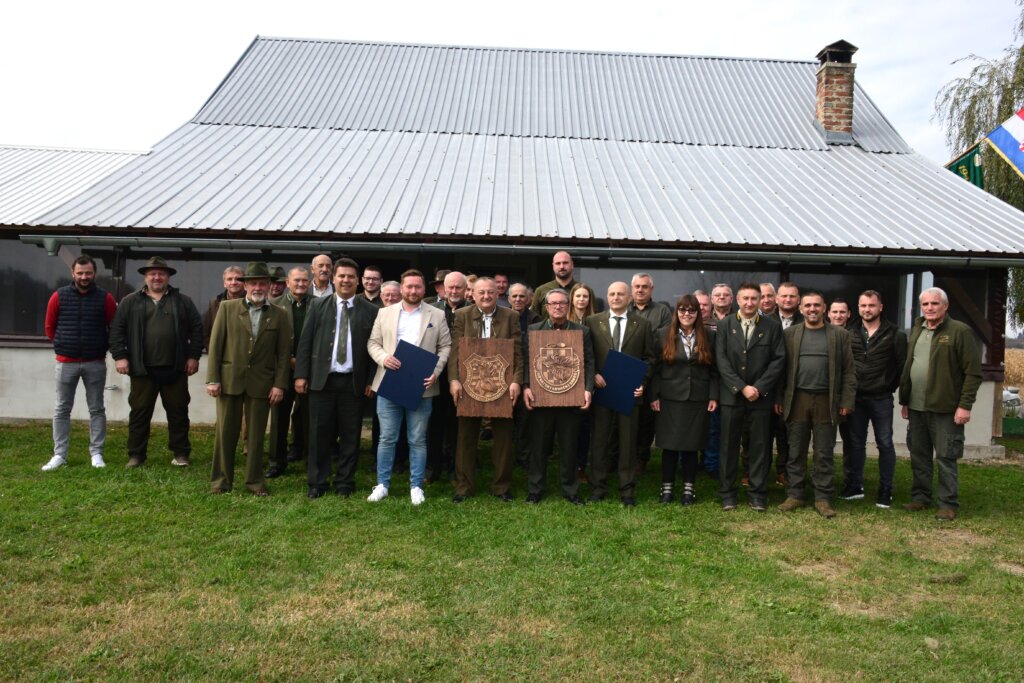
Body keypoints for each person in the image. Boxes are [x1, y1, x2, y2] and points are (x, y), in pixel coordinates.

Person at [206, 262, 293, 495]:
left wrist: (279, 384)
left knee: (255, 437)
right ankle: (221, 482)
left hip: (262, 383)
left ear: (268, 286)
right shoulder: (227, 308)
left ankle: (255, 482)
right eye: (253, 283)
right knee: (225, 433)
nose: (257, 287)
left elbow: (284, 355)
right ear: (245, 286)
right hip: (229, 379)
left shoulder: (280, 315)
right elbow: (215, 346)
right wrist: (212, 378)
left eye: (262, 283)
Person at [366, 269, 452, 505]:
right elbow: (373, 342)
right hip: (390, 383)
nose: (413, 291)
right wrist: (383, 358)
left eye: (417, 287)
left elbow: (445, 346)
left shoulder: (437, 314)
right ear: (401, 288)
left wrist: (435, 371)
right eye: (409, 286)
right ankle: (382, 484)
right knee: (387, 438)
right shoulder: (385, 313)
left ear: (424, 289)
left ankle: (416, 486)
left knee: (417, 439)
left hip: (422, 385)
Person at [109, 256, 202, 468]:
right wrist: (120, 356)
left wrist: (193, 356)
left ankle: (180, 453)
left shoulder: (183, 301)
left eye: (161, 273)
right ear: (145, 276)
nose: (157, 277)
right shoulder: (130, 301)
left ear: (168, 276)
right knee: (140, 413)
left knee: (178, 412)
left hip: (175, 367)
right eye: (152, 273)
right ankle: (136, 455)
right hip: (142, 369)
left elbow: (197, 329)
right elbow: (116, 330)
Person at [295, 257, 376, 498]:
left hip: (353, 382)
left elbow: (376, 348)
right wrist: (301, 374)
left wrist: (371, 380)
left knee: (351, 435)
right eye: (341, 276)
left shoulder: (371, 311)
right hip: (322, 381)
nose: (346, 280)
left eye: (351, 276)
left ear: (358, 281)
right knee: (319, 434)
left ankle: (344, 483)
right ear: (333, 278)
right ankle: (317, 483)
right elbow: (305, 342)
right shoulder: (318, 306)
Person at [899, 287, 982, 521]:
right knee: (919, 454)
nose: (929, 308)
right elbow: (910, 366)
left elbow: (973, 373)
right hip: (916, 407)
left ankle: (947, 503)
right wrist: (905, 400)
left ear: (945, 306)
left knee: (946, 456)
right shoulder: (918, 330)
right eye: (925, 304)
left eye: (934, 304)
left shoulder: (960, 332)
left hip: (945, 408)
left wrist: (965, 405)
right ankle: (920, 498)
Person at [776, 290, 856, 519]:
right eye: (808, 305)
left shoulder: (839, 335)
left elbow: (849, 371)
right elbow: (781, 370)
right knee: (795, 450)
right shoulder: (790, 334)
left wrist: (847, 400)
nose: (812, 309)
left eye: (817, 305)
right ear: (801, 309)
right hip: (797, 399)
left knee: (823, 452)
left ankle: (823, 498)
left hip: (826, 400)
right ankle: (795, 494)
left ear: (824, 308)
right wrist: (779, 399)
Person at [448, 277, 524, 502]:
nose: (486, 296)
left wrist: (517, 381)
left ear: (498, 294)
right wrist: (454, 380)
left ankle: (501, 487)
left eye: (490, 292)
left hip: (503, 382)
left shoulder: (511, 316)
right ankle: (464, 487)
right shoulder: (462, 315)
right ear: (473, 294)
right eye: (481, 292)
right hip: (469, 382)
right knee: (466, 437)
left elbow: (518, 352)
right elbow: (455, 351)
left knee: (503, 437)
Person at [41, 254, 117, 471]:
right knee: (62, 409)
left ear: (94, 274)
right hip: (66, 362)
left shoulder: (105, 298)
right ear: (72, 273)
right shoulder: (59, 296)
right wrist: (63, 345)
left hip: (95, 362)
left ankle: (97, 453)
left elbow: (114, 327)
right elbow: (49, 327)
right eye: (80, 273)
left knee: (96, 408)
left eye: (88, 273)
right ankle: (59, 455)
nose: (84, 277)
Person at [716, 282, 785, 511]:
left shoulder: (772, 326)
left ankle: (758, 494)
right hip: (732, 397)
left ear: (761, 300)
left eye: (754, 299)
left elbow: (778, 360)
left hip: (761, 398)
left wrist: (759, 387)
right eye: (745, 298)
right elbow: (722, 361)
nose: (749, 303)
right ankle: (727, 494)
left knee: (760, 446)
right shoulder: (725, 325)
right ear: (737, 299)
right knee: (728, 446)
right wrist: (741, 387)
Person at [585, 281, 656, 506]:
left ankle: (627, 489)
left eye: (620, 294)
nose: (616, 297)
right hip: (602, 389)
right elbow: (587, 355)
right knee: (600, 440)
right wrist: (593, 374)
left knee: (627, 442)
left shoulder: (642, 324)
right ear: (607, 297)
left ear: (629, 298)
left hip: (629, 390)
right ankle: (598, 486)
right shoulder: (592, 322)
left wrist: (642, 382)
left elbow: (650, 358)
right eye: (612, 294)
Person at [522, 288, 595, 505]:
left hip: (570, 399)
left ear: (568, 306)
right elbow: (526, 361)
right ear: (546, 307)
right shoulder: (534, 330)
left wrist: (588, 389)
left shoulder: (582, 331)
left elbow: (589, 362)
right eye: (553, 303)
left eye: (562, 303)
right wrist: (526, 385)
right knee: (539, 447)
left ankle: (571, 490)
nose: (558, 307)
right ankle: (535, 489)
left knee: (570, 446)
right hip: (541, 398)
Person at [650, 294, 718, 505]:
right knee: (669, 446)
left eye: (691, 310)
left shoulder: (708, 335)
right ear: (676, 312)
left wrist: (713, 395)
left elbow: (715, 370)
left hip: (698, 398)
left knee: (691, 445)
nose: (686, 314)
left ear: (698, 313)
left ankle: (689, 490)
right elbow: (654, 369)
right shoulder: (662, 335)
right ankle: (667, 489)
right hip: (669, 398)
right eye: (682, 310)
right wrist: (653, 395)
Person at [845, 290, 907, 507]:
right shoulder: (850, 331)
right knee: (855, 443)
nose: (867, 309)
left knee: (885, 443)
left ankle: (885, 490)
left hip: (881, 398)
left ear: (880, 307)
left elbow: (902, 367)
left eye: (871, 305)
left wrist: (889, 385)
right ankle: (855, 486)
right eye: (863, 306)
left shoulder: (895, 334)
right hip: (856, 398)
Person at [267, 266, 312, 476]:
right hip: (281, 372)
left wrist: (302, 363)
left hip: (309, 371)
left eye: (304, 280)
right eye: (297, 281)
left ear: (309, 282)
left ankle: (308, 458)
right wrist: (288, 360)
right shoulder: (273, 305)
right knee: (279, 418)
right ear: (287, 282)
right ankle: (277, 462)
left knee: (308, 418)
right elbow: (268, 340)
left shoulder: (319, 305)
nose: (301, 284)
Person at [427, 271, 470, 482]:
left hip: (463, 376)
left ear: (465, 289)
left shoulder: (472, 311)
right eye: (449, 287)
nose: (453, 291)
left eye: (458, 288)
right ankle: (433, 468)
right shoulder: (431, 310)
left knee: (457, 426)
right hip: (434, 374)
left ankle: (455, 468)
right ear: (443, 288)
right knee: (433, 423)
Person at [630, 273, 673, 474]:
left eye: (644, 287)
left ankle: (641, 458)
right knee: (625, 417)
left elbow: (663, 341)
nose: (640, 290)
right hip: (627, 369)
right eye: (637, 286)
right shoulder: (624, 309)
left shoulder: (662, 312)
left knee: (647, 420)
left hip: (652, 370)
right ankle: (622, 457)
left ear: (651, 289)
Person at [509, 282, 540, 469]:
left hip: (529, 371)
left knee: (526, 416)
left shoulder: (537, 319)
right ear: (509, 298)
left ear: (528, 299)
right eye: (515, 296)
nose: (519, 299)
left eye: (522, 296)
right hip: (506, 371)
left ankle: (524, 455)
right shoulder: (502, 316)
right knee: (506, 416)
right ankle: (507, 454)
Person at [202, 265, 244, 350]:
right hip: (221, 358)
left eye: (238, 279)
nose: (233, 282)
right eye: (229, 279)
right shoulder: (214, 303)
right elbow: (204, 332)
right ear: (224, 284)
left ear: (245, 282)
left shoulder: (252, 302)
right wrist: (213, 349)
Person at [532, 251, 578, 318]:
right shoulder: (541, 290)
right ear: (553, 266)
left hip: (577, 328)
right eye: (558, 263)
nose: (562, 266)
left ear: (572, 265)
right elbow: (533, 319)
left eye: (565, 263)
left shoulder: (583, 291)